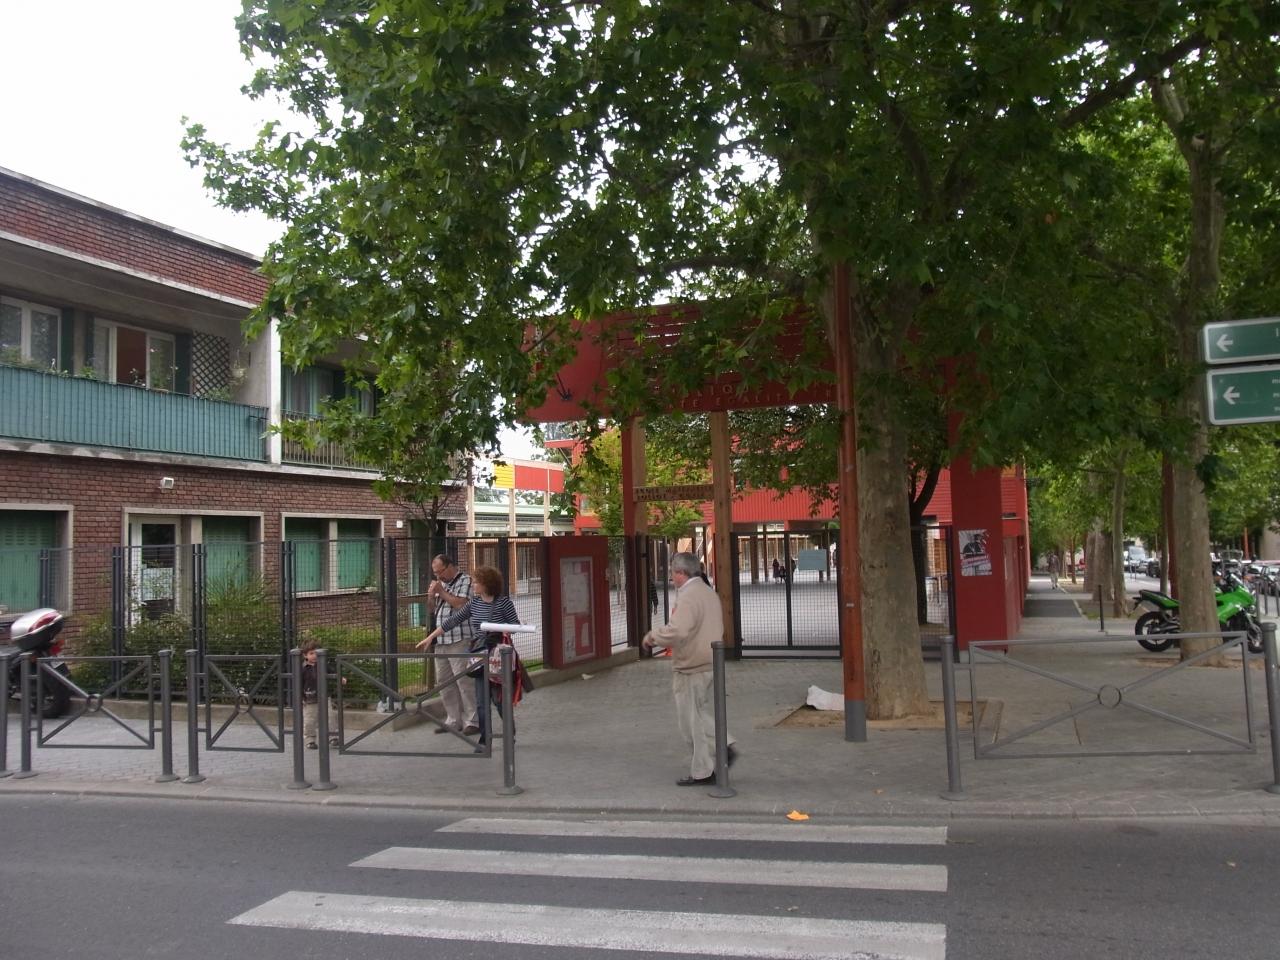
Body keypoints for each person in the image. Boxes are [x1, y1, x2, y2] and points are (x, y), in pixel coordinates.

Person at [641, 551, 736, 786]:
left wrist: (653, 637)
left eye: (672, 572)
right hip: (709, 661)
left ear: (681, 573)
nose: (671, 577)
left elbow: (678, 630)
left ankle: (711, 761)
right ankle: (715, 755)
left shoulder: (688, 596)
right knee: (697, 715)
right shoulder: (707, 592)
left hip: (691, 664)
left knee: (690, 721)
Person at [419, 565, 520, 752]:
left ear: (486, 584)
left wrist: (501, 629)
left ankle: (509, 732)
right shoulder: (474, 603)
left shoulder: (503, 603)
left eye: (476, 582)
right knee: (481, 701)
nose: (473, 585)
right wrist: (431, 637)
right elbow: (453, 620)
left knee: (499, 700)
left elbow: (515, 625)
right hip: (479, 654)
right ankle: (485, 740)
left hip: (499, 656)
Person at [420, 554, 478, 736]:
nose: (439, 576)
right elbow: (432, 609)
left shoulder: (466, 580)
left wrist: (441, 591)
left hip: (460, 639)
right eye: (435, 573)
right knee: (444, 682)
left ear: (450, 566)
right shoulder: (441, 584)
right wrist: (431, 596)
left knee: (464, 680)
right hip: (442, 641)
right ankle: (453, 720)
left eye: (441, 572)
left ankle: (473, 721)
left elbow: (461, 605)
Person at [299, 639, 339, 749]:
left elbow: (333, 673)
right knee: (309, 720)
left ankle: (333, 737)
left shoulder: (323, 665)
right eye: (311, 653)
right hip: (309, 698)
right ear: (305, 655)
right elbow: (299, 684)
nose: (314, 656)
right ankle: (310, 740)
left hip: (324, 696)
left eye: (316, 653)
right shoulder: (302, 668)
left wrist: (340, 678)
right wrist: (301, 697)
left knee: (330, 717)